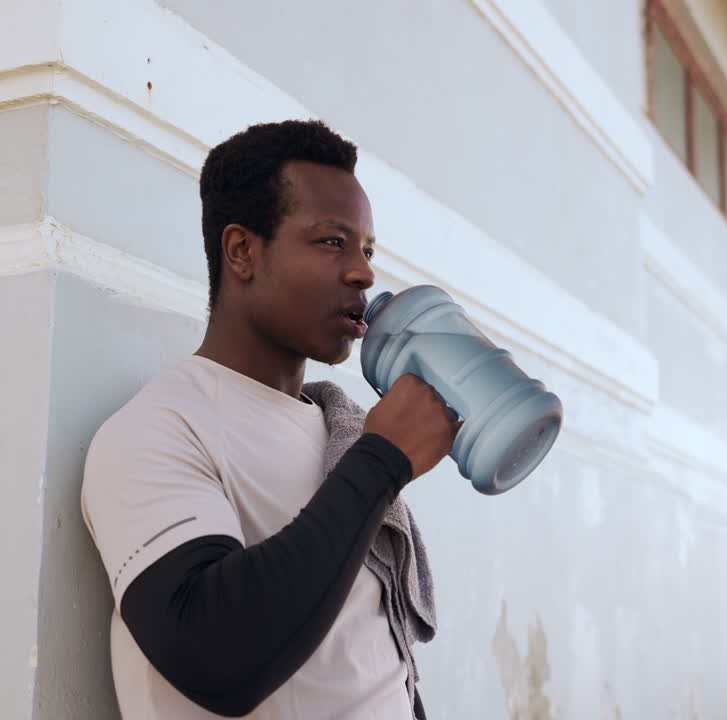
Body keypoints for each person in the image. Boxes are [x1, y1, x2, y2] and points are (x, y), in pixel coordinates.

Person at [81, 119, 459, 719]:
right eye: (332, 242)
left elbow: (368, 666)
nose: (363, 272)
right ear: (242, 252)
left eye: (367, 250)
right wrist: (383, 461)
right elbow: (214, 655)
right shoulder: (160, 428)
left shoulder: (341, 431)